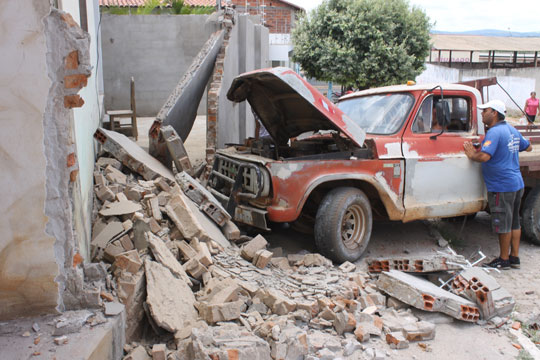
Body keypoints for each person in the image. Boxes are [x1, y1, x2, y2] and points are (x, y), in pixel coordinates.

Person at [464, 99, 532, 270]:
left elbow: (485, 156)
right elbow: (528, 146)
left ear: (494, 113)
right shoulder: (511, 130)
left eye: (484, 110)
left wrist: (472, 155)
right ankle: (514, 257)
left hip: (502, 186)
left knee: (503, 223)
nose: (481, 114)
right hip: (516, 183)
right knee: (514, 222)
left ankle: (503, 259)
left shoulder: (494, 132)